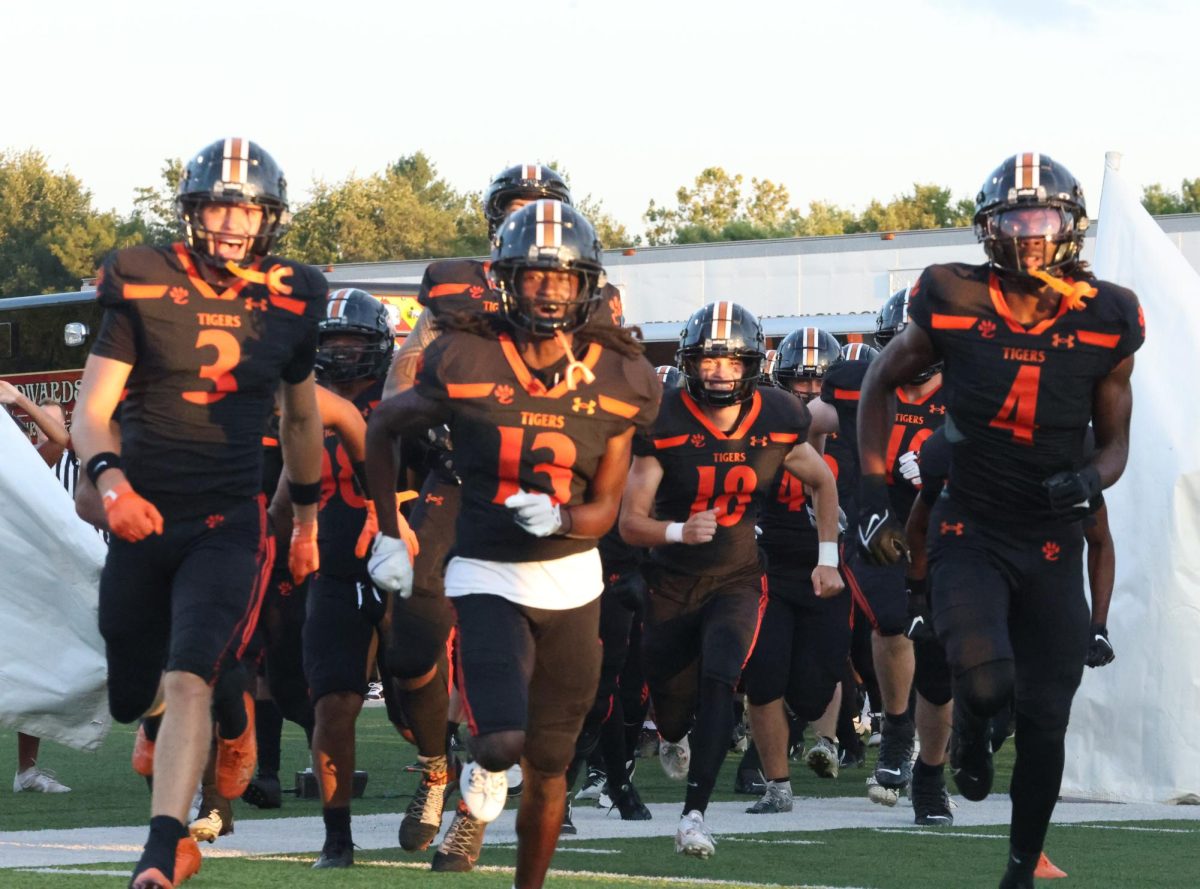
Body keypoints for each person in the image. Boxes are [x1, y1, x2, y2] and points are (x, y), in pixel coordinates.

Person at [855, 152, 1143, 889]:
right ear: (989, 229)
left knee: (1048, 716)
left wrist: (1087, 477)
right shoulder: (951, 293)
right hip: (972, 524)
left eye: (1042, 218)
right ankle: (976, 728)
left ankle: (1019, 866)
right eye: (1014, 219)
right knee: (983, 684)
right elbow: (880, 382)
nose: (1029, 235)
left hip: (1050, 536)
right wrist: (878, 488)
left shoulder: (1109, 315)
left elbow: (1114, 447)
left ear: (1069, 226)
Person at [366, 200, 658, 889]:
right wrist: (387, 524)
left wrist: (559, 519)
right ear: (505, 279)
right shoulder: (466, 356)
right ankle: (477, 767)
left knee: (552, 769)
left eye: (563, 277)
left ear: (587, 284)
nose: (549, 290)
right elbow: (382, 426)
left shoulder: (621, 378)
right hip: (485, 569)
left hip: (572, 580)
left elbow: (605, 510)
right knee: (500, 739)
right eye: (534, 276)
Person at [72, 137, 328, 889]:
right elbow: (93, 410)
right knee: (130, 695)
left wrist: (307, 519)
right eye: (219, 204)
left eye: (247, 208)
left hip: (228, 518)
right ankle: (233, 709)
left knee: (190, 673)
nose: (232, 222)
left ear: (269, 217)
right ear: (192, 211)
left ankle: (164, 846)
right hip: (142, 510)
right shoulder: (143, 277)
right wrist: (112, 484)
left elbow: (302, 421)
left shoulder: (294, 293)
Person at [379, 164, 574, 863]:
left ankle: (475, 803)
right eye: (517, 209)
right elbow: (402, 377)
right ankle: (436, 767)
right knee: (409, 645)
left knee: (514, 658)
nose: (529, 221)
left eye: (541, 209)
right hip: (458, 478)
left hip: (536, 493)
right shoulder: (457, 283)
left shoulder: (583, 293)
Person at [620, 302, 843, 857]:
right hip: (670, 582)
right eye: (709, 360)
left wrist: (829, 556)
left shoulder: (778, 414)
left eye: (732, 361)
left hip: (739, 577)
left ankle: (695, 814)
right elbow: (630, 522)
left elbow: (822, 479)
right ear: (690, 362)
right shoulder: (663, 419)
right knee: (673, 707)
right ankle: (672, 736)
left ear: (752, 364)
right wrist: (675, 532)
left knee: (722, 679)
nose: (720, 371)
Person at [295, 287, 419, 867]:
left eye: (354, 342)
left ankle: (439, 774)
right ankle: (336, 835)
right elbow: (281, 481)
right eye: (333, 342)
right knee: (333, 705)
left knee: (414, 711)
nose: (343, 353)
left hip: (405, 567)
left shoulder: (401, 396)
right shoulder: (302, 402)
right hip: (335, 569)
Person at [810, 289, 947, 805]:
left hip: (946, 523)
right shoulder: (854, 384)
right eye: (901, 343)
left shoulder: (966, 389)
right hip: (882, 516)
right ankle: (894, 734)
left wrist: (946, 467)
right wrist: (821, 484)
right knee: (891, 620)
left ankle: (939, 753)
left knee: (940, 650)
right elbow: (807, 425)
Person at [742, 326, 849, 815]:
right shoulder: (759, 421)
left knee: (813, 689)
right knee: (764, 677)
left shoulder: (848, 422)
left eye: (818, 380)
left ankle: (807, 729)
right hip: (769, 565)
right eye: (797, 381)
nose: (807, 391)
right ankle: (776, 785)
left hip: (826, 566)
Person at [3, 392, 74, 794]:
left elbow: (59, 440)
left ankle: (26, 770)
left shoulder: (21, 469)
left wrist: (16, 399)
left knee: (33, 668)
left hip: (21, 586)